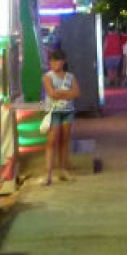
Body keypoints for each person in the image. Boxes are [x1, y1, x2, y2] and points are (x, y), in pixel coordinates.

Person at [41, 50, 80, 186]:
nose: (54, 64)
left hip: (68, 111)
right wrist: (67, 93)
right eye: (52, 61)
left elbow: (76, 92)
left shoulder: (70, 77)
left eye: (57, 61)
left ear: (63, 61)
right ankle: (48, 173)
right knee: (52, 140)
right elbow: (51, 93)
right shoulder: (47, 77)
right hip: (54, 112)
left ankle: (63, 170)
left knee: (65, 140)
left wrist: (60, 93)